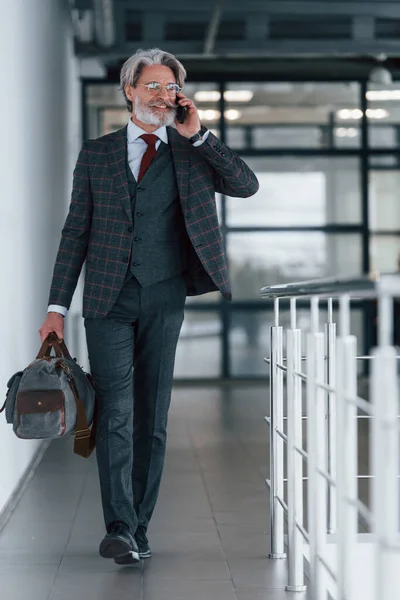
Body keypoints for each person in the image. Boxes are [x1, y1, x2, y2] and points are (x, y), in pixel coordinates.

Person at [39, 48, 259, 566]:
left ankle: (140, 525)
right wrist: (55, 306)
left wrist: (200, 135)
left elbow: (246, 185)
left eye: (170, 87)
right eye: (153, 86)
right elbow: (76, 232)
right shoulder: (97, 154)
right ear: (130, 91)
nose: (163, 95)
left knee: (152, 414)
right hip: (107, 298)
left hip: (163, 292)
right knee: (115, 409)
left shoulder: (191, 150)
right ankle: (118, 527)